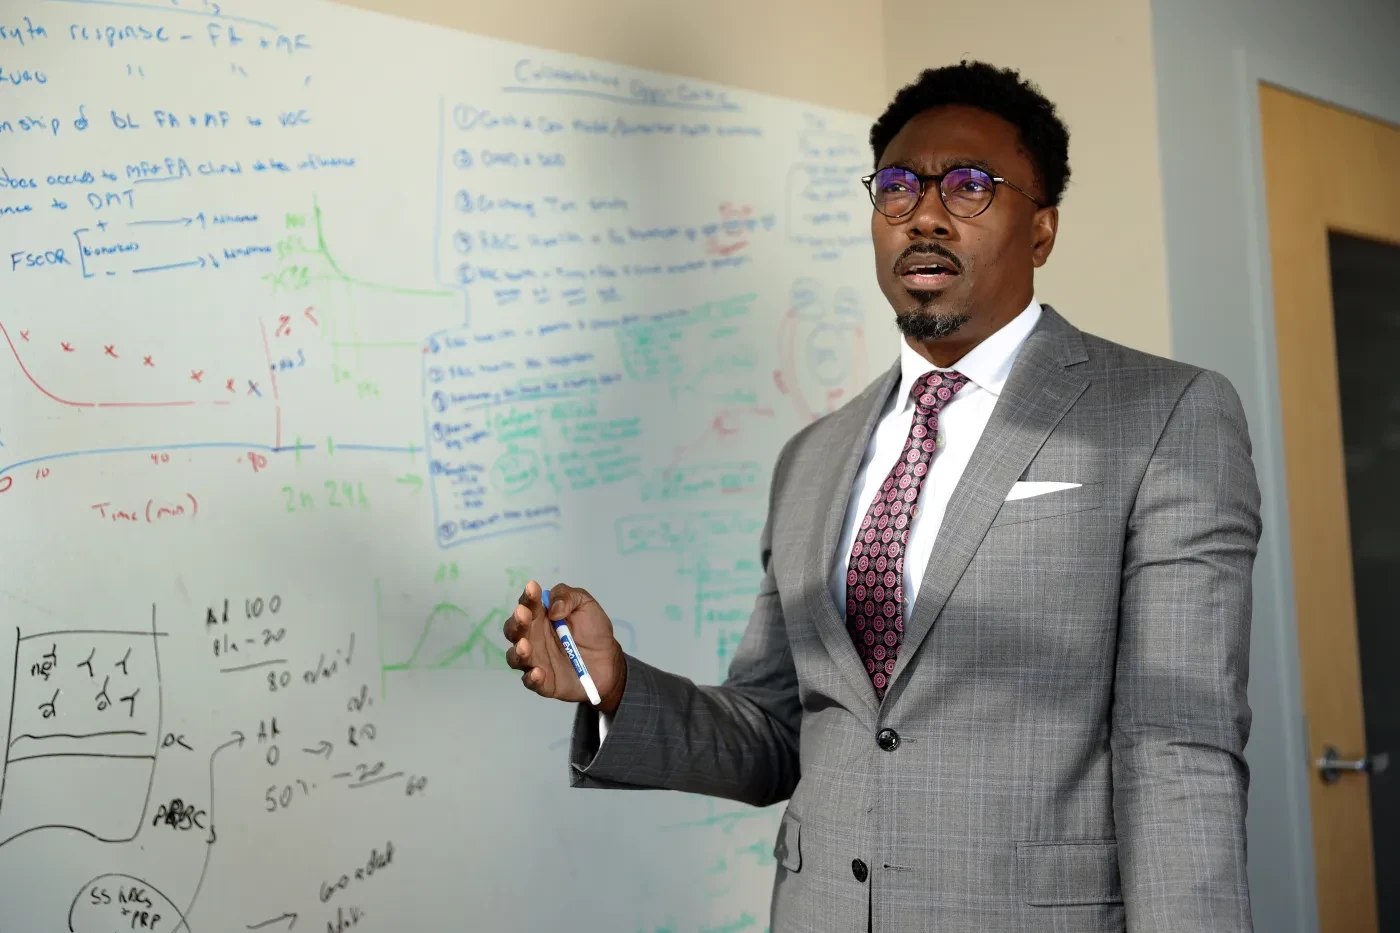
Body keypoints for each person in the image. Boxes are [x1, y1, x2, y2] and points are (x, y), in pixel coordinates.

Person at [504, 60, 1260, 932]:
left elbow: (1180, 748)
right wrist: (617, 684)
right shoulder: (813, 458)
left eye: (970, 186)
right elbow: (777, 732)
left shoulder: (1163, 414)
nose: (926, 213)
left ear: (1042, 230)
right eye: (897, 187)